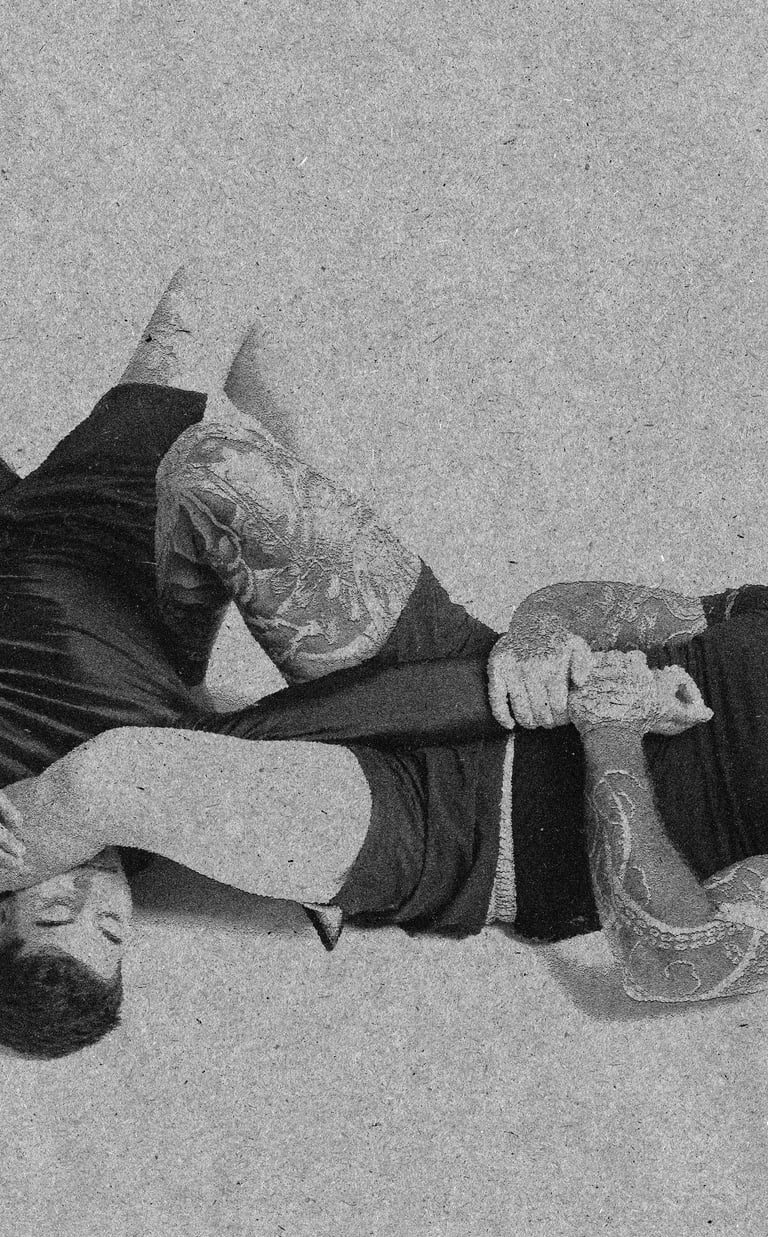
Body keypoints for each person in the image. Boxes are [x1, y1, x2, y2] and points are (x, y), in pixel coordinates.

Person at [2, 267, 768, 1060]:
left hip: (458, 838)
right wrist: (543, 630)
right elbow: (626, 611)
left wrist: (612, 735)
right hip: (470, 667)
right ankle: (166, 684)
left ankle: (111, 782)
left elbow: (668, 960)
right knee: (208, 470)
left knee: (114, 780)